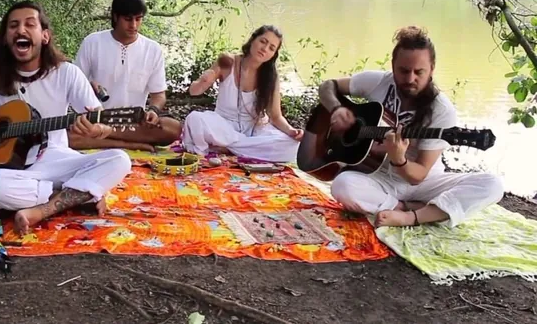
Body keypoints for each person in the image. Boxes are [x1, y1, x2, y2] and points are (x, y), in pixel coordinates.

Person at [0, 0, 131, 235]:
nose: (21, 30)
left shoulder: (67, 73)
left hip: (57, 158)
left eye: (30, 24)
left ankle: (43, 209)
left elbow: (98, 118)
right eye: (13, 26)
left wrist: (99, 130)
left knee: (120, 160)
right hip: (15, 167)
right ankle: (79, 194)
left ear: (45, 36)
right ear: (6, 37)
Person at [318, 26, 504, 228]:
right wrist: (336, 108)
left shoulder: (441, 110)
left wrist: (399, 159)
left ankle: (410, 217)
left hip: (424, 182)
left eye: (419, 72)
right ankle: (405, 207)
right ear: (393, 65)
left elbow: (419, 175)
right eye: (404, 71)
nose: (410, 79)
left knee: (492, 185)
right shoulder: (377, 82)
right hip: (378, 175)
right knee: (342, 185)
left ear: (432, 68)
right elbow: (328, 85)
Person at [71, 0, 182, 152]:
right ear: (115, 17)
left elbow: (158, 95)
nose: (134, 25)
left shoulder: (152, 49)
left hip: (133, 121)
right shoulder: (92, 42)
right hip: (97, 119)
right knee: (65, 136)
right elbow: (74, 88)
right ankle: (128, 145)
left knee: (173, 128)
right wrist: (89, 86)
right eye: (128, 19)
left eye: (138, 19)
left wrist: (153, 110)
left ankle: (108, 138)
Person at [182, 25, 303, 162]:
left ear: (273, 55)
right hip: (223, 127)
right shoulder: (228, 62)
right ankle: (243, 149)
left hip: (255, 130)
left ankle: (227, 148)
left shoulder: (271, 77)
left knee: (295, 146)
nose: (265, 49)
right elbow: (194, 91)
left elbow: (275, 116)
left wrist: (291, 131)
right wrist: (204, 81)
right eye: (263, 41)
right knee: (195, 119)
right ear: (253, 40)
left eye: (271, 48)